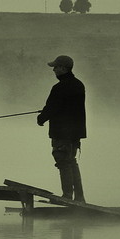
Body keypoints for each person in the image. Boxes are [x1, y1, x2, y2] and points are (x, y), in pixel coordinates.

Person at [37, 55, 86, 202]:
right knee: (71, 162)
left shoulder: (59, 88)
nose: (53, 69)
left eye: (56, 67)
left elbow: (52, 107)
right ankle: (79, 197)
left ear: (64, 68)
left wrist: (41, 118)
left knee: (63, 162)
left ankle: (66, 197)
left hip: (62, 132)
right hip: (75, 133)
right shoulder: (79, 85)